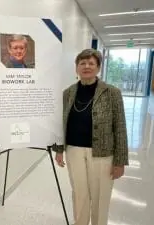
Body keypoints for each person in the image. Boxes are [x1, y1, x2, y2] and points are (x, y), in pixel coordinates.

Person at [55, 49, 128, 225]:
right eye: (82, 63)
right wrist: (59, 150)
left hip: (102, 153)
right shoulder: (68, 93)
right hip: (74, 150)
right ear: (76, 68)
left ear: (98, 68)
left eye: (91, 63)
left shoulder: (112, 93)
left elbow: (120, 127)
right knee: (79, 193)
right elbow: (61, 122)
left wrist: (120, 161)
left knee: (100, 196)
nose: (86, 66)